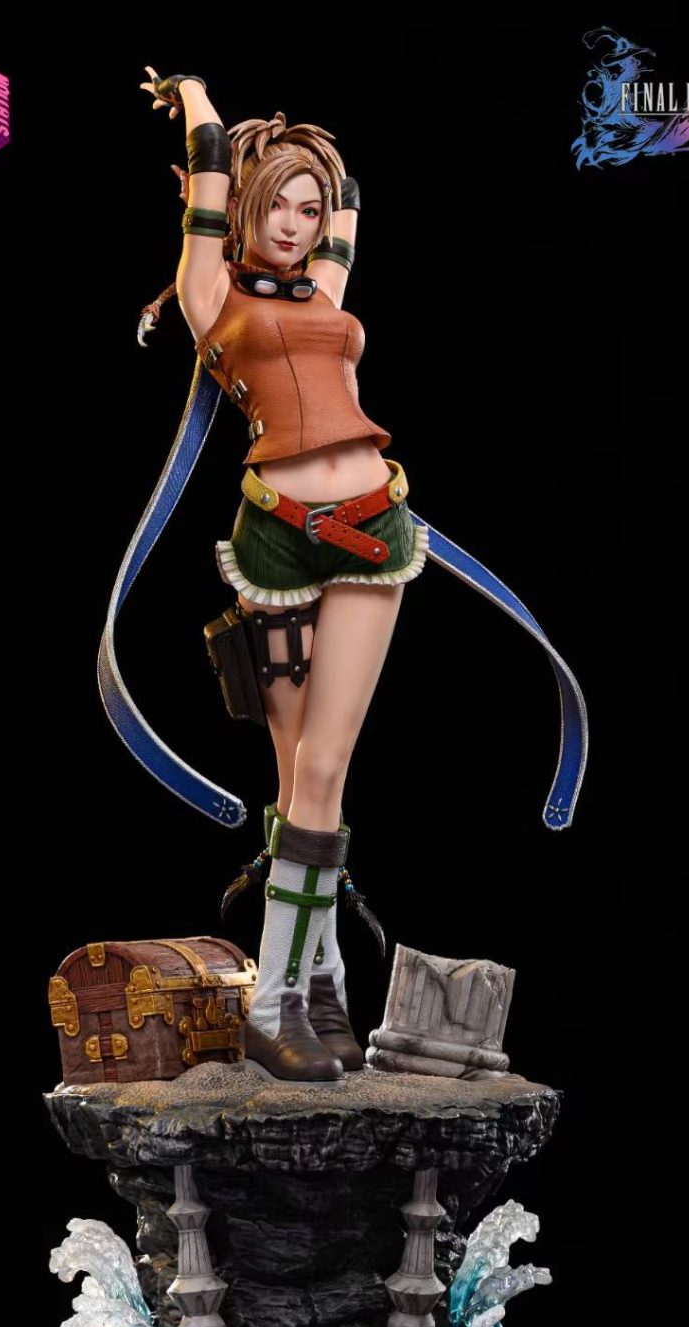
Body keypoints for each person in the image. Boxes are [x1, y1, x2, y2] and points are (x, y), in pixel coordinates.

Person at [138, 68, 429, 1085]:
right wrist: (195, 96)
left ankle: (296, 991)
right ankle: (302, 993)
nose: (297, 226)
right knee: (297, 774)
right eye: (279, 207)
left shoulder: (326, 292)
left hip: (370, 529)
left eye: (309, 210)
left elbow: (351, 205)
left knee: (324, 769)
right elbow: (213, 171)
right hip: (274, 539)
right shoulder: (207, 293)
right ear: (244, 210)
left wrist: (323, 168)